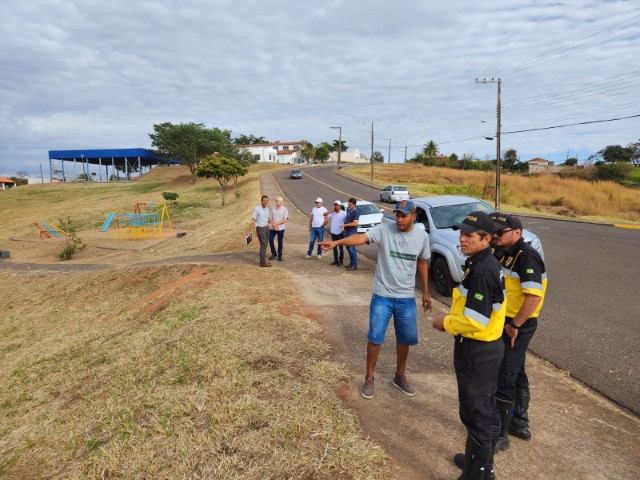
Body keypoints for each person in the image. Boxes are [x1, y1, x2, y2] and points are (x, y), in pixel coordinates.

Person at [319, 200, 432, 400]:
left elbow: (422, 263)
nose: (399, 219)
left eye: (403, 216)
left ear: (413, 216)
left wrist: (425, 292)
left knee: (404, 340)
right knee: (375, 337)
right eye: (397, 215)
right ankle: (369, 377)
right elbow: (361, 238)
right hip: (382, 295)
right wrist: (337, 242)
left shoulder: (422, 236)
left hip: (406, 298)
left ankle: (399, 376)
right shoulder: (384, 230)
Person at [432, 211, 506, 480]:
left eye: (469, 235)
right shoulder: (478, 263)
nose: (462, 239)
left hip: (479, 351)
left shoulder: (484, 269)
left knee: (476, 413)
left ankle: (477, 473)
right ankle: (480, 464)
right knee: (482, 408)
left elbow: (476, 320)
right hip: (480, 350)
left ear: (486, 239)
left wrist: (446, 322)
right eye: (461, 233)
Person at [490, 213, 547, 453]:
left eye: (499, 233)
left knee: (505, 374)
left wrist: (515, 325)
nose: (495, 236)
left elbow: (534, 296)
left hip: (517, 325)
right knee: (517, 371)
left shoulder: (527, 256)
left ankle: (500, 434)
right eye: (493, 232)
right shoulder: (501, 252)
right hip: (505, 321)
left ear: (517, 233)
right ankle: (519, 423)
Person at [248, 195, 272, 267]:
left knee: (265, 245)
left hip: (266, 228)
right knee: (263, 244)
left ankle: (263, 261)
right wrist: (250, 230)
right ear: (261, 201)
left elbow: (268, 218)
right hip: (260, 228)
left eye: (267, 201)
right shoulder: (257, 209)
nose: (265, 202)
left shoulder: (267, 209)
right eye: (264, 201)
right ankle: (262, 262)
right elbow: (253, 220)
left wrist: (270, 224)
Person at [324, 200, 347, 266]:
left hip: (340, 233)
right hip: (333, 232)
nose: (336, 206)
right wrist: (331, 211)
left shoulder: (344, 213)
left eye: (337, 205)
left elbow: (346, 222)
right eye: (335, 205)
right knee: (334, 247)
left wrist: (344, 229)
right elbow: (325, 214)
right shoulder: (332, 213)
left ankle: (341, 261)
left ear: (340, 206)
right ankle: (336, 260)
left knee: (341, 248)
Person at [342, 197, 360, 271]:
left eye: (350, 204)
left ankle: (354, 265)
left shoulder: (356, 212)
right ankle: (351, 263)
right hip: (347, 232)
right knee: (348, 247)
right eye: (348, 204)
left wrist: (345, 225)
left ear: (354, 205)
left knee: (352, 249)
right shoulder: (349, 210)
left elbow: (355, 223)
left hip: (352, 232)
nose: (348, 205)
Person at [268, 196, 289, 261]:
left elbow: (285, 219)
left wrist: (276, 224)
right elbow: (270, 218)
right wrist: (273, 224)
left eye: (277, 201)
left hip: (281, 229)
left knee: (280, 242)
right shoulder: (273, 209)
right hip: (272, 228)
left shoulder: (284, 209)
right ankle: (273, 253)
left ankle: (280, 255)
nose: (276, 202)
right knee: (270, 240)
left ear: (280, 202)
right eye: (275, 201)